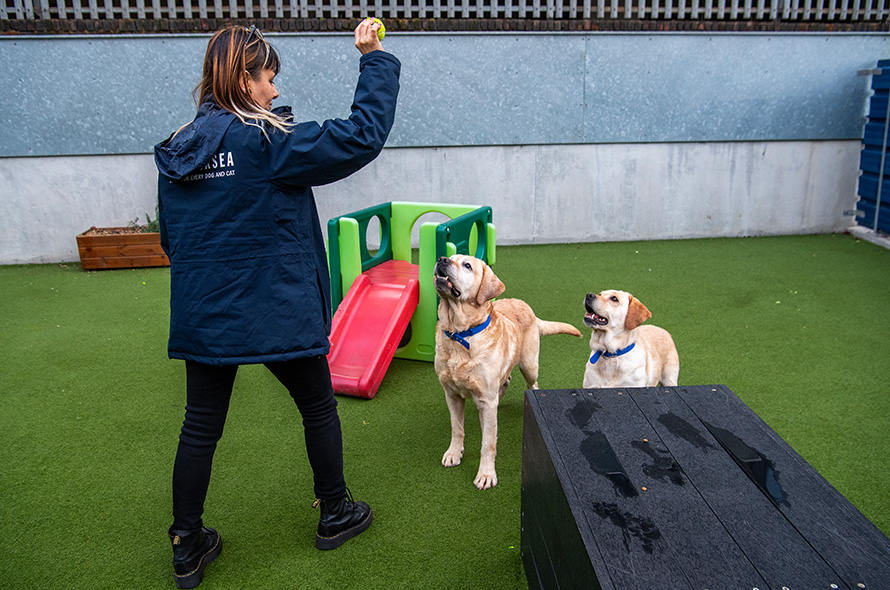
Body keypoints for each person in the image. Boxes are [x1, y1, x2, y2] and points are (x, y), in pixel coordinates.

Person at [153, 21, 399, 589]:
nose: (273, 92)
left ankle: (186, 545)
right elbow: (361, 136)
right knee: (317, 406)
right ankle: (334, 512)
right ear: (244, 77)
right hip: (276, 308)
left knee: (199, 428)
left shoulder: (180, 148)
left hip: (207, 315)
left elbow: (173, 241)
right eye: (269, 79)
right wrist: (375, 59)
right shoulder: (266, 142)